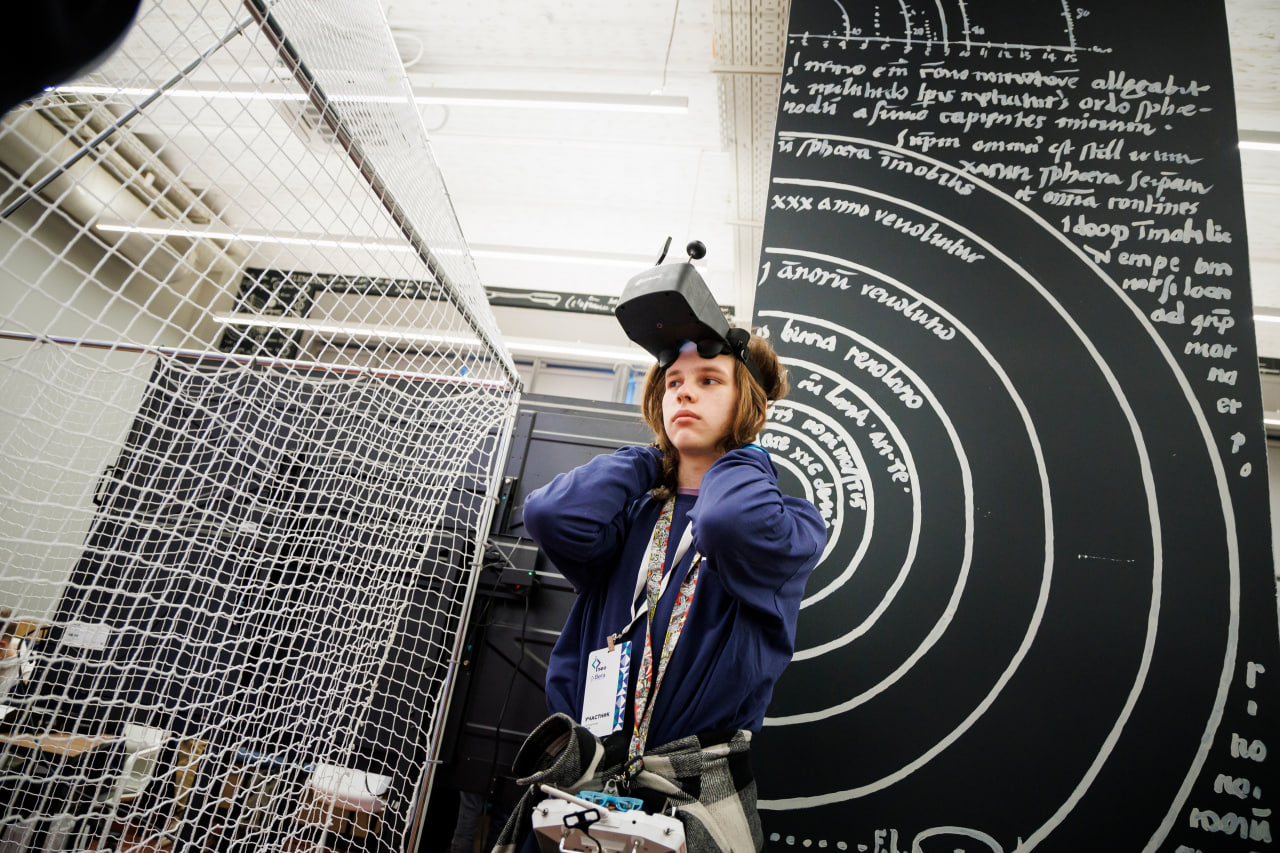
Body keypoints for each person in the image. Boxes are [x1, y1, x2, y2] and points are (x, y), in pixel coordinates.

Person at [493, 331, 826, 853]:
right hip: (584, 782)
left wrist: (745, 449)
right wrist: (655, 459)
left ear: (752, 405)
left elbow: (728, 522)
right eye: (673, 383)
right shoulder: (629, 517)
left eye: (709, 380)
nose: (684, 393)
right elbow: (549, 513)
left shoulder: (786, 527)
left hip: (689, 798)